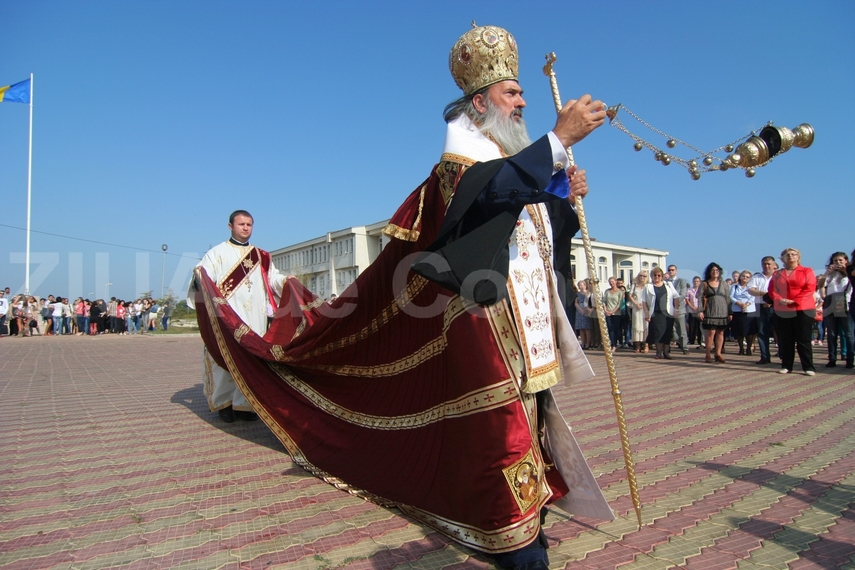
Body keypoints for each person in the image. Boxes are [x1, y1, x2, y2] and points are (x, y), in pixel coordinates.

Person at [190, 24, 613, 569]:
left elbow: (525, 233)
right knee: (501, 449)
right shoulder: (457, 170)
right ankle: (519, 551)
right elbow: (486, 203)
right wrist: (556, 142)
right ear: (479, 102)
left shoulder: (510, 170)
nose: (523, 100)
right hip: (485, 340)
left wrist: (561, 197)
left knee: (534, 438)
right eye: (512, 93)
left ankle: (534, 532)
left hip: (528, 345)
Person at [187, 209, 288, 423]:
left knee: (251, 362)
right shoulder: (216, 253)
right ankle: (224, 403)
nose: (245, 228)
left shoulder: (261, 256)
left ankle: (246, 405)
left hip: (255, 320)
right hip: (227, 319)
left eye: (249, 224)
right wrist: (198, 277)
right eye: (241, 224)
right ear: (230, 226)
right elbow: (203, 276)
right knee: (224, 360)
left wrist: (286, 281)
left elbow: (273, 279)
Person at [766, 248, 816, 375]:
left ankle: (808, 367)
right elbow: (772, 290)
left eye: (793, 254)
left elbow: (809, 288)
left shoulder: (807, 270)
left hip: (803, 308)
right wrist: (779, 299)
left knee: (803, 338)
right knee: (786, 338)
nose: (790, 257)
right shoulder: (777, 274)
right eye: (787, 255)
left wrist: (794, 300)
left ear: (798, 257)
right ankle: (787, 365)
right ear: (782, 258)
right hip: (783, 308)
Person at [817, 251, 853, 368]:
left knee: (848, 333)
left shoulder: (850, 272)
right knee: (832, 333)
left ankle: (850, 359)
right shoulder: (831, 274)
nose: (837, 263)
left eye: (840, 260)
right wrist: (828, 272)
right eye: (835, 261)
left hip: (843, 300)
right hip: (830, 300)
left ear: (846, 261)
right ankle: (832, 358)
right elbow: (820, 284)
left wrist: (845, 270)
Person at [642, 266, 679, 359]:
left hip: (667, 313)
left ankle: (666, 352)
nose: (657, 277)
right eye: (655, 275)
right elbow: (644, 301)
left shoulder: (668, 285)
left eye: (659, 275)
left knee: (667, 333)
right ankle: (658, 352)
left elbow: (676, 297)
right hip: (655, 313)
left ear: (662, 276)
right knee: (658, 333)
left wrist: (676, 309)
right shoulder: (648, 287)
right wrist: (646, 314)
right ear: (652, 276)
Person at [698, 262, 732, 363]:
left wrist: (730, 312)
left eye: (717, 270)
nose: (715, 272)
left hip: (722, 310)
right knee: (711, 332)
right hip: (710, 309)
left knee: (720, 332)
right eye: (713, 270)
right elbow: (699, 298)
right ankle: (708, 354)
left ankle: (718, 353)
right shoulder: (704, 284)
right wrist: (700, 311)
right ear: (709, 272)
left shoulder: (724, 284)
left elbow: (728, 299)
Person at [748, 256, 777, 364]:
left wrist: (771, 299)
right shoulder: (756, 277)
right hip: (760, 306)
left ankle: (783, 355)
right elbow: (751, 290)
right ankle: (765, 356)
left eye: (769, 264)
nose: (766, 266)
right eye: (764, 264)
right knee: (762, 331)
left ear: (774, 265)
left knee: (779, 331)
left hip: (776, 306)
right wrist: (766, 294)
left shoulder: (778, 276)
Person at [730, 270, 757, 356]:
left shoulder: (751, 287)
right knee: (739, 330)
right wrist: (739, 303)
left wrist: (746, 305)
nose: (745, 278)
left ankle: (749, 348)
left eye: (747, 277)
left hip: (749, 310)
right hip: (737, 310)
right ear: (740, 277)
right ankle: (741, 348)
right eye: (743, 276)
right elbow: (730, 297)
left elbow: (753, 297)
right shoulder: (734, 287)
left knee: (749, 331)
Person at [665, 265, 689, 354]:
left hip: (679, 308)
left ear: (676, 271)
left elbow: (683, 294)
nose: (671, 271)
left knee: (681, 329)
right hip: (668, 309)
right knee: (670, 329)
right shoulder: (665, 282)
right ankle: (669, 346)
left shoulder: (681, 281)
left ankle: (684, 347)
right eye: (669, 270)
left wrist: (675, 301)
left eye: (672, 270)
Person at [629, 272, 649, 353]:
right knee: (637, 325)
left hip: (645, 308)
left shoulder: (648, 286)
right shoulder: (634, 285)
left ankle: (646, 345)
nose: (642, 277)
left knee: (646, 325)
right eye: (640, 276)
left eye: (644, 276)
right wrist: (636, 303)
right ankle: (638, 345)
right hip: (636, 307)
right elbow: (630, 295)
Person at [602, 277, 622, 350]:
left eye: (612, 281)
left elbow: (619, 304)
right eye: (610, 282)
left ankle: (618, 343)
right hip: (608, 313)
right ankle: (613, 344)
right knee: (610, 329)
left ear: (616, 282)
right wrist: (606, 310)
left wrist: (612, 311)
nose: (611, 283)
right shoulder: (607, 291)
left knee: (616, 329)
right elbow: (604, 301)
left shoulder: (619, 292)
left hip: (616, 313)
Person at [685, 276, 703, 349]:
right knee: (692, 326)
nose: (696, 283)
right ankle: (691, 340)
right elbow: (687, 299)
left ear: (700, 282)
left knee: (699, 326)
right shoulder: (689, 290)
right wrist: (692, 306)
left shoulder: (702, 290)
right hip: (691, 310)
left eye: (697, 281)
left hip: (700, 310)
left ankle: (700, 340)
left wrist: (700, 308)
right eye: (695, 281)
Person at [574, 279, 592, 349]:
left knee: (587, 328)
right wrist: (580, 309)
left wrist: (586, 309)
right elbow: (576, 302)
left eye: (582, 285)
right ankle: (583, 343)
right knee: (581, 328)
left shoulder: (588, 293)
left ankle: (588, 343)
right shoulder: (577, 294)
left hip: (587, 310)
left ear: (585, 285)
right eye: (579, 285)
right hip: (579, 311)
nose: (580, 287)